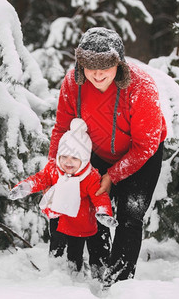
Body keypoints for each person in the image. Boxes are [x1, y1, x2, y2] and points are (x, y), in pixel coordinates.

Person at [47, 27, 167, 287]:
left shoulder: (141, 88)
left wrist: (113, 176)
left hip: (141, 155)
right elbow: (61, 129)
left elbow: (146, 145)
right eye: (90, 67)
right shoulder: (73, 84)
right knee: (89, 204)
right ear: (81, 65)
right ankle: (99, 268)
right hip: (97, 150)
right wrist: (55, 169)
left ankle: (119, 283)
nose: (98, 74)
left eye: (105, 67)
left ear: (119, 64)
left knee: (130, 214)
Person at [9, 118, 118, 279]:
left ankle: (76, 277)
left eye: (74, 158)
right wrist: (23, 188)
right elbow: (39, 179)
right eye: (64, 156)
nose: (68, 162)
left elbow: (99, 196)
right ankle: (56, 274)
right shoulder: (54, 169)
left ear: (84, 159)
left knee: (75, 253)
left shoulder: (90, 176)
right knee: (56, 246)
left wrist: (103, 213)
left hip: (79, 223)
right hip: (58, 219)